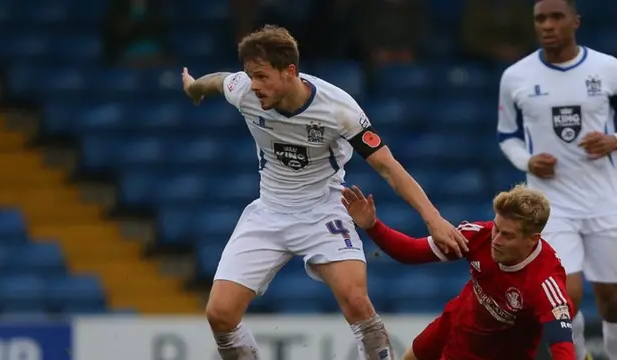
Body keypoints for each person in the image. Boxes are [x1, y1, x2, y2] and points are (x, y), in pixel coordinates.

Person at [181, 25, 469, 360]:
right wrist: (194, 87)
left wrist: (433, 219)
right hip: (269, 211)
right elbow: (219, 80)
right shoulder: (244, 89)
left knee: (357, 301)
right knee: (219, 314)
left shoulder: (338, 109)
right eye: (250, 76)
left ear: (290, 71)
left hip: (323, 210)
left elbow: (389, 167)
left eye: (261, 76)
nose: (254, 85)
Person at [496, 0, 617, 358]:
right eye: (540, 19)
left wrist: (613, 141)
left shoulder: (608, 68)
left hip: (604, 199)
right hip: (550, 205)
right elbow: (507, 135)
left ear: (575, 22)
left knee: (612, 302)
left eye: (556, 17)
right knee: (566, 296)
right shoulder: (516, 76)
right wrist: (528, 161)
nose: (547, 25)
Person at [342, 183, 576, 360]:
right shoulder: (478, 235)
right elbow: (411, 252)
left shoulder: (545, 282)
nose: (496, 239)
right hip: (451, 325)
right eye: (497, 228)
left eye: (508, 235)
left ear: (532, 240)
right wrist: (372, 225)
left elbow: (562, 346)